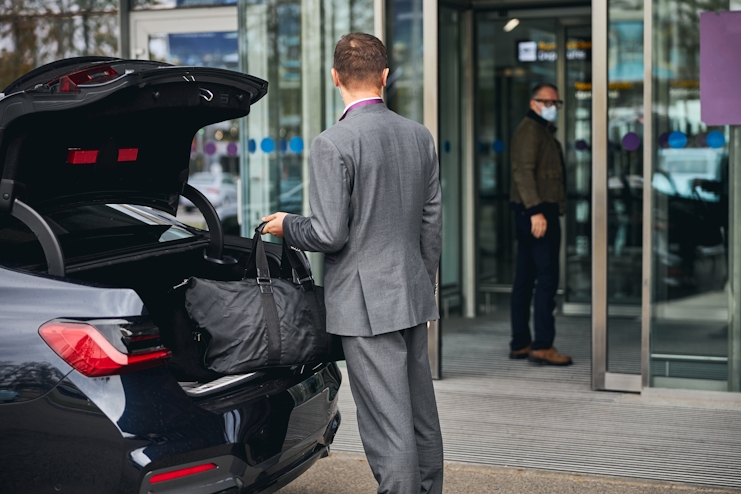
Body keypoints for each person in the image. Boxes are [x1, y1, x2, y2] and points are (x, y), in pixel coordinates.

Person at [261, 33, 444, 494]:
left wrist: (287, 224)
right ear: (385, 77)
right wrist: (421, 283)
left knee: (388, 427)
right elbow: (431, 224)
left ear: (334, 78)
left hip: (365, 305)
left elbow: (328, 233)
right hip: (412, 293)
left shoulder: (333, 143)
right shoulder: (419, 136)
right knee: (420, 416)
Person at [508, 82, 572, 366]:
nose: (553, 108)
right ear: (533, 103)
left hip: (534, 211)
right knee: (545, 279)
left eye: (556, 104)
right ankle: (542, 345)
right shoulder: (530, 131)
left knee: (526, 278)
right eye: (548, 103)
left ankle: (521, 342)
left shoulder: (540, 131)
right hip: (536, 212)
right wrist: (535, 211)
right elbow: (522, 172)